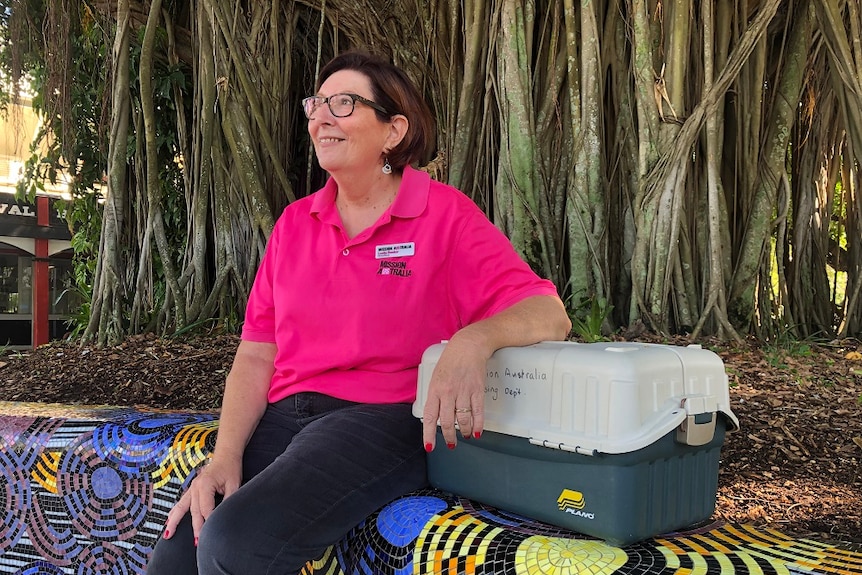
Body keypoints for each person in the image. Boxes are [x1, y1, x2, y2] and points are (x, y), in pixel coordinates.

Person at [146, 50, 571, 575]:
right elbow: (257, 353)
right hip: (286, 414)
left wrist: (473, 340)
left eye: (343, 103)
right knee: (177, 550)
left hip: (382, 419)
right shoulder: (294, 224)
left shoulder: (444, 215)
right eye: (317, 104)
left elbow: (548, 312)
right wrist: (224, 455)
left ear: (394, 130)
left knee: (235, 542)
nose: (321, 116)